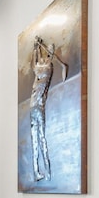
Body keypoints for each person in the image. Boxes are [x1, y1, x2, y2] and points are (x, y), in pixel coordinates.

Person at [29, 36, 67, 182]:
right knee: (37, 140)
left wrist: (35, 48)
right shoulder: (46, 67)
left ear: (49, 57)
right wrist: (37, 48)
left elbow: (34, 65)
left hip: (37, 107)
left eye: (47, 56)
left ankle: (45, 171)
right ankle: (40, 172)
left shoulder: (47, 69)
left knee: (40, 139)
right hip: (35, 107)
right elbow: (36, 63)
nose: (44, 59)